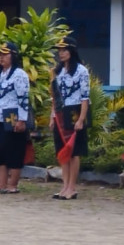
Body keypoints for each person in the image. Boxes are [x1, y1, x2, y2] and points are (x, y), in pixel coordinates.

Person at [49, 37, 90, 200]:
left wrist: (81, 119)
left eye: (64, 50)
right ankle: (64, 186)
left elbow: (85, 97)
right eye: (59, 51)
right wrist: (52, 116)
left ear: (72, 51)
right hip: (60, 114)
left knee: (74, 152)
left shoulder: (81, 71)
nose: (61, 53)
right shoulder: (57, 72)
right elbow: (54, 97)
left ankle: (72, 187)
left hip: (75, 113)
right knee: (62, 152)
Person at [0, 42, 30, 194]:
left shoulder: (19, 75)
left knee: (15, 149)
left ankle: (13, 185)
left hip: (12, 116)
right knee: (0, 150)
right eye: (0, 54)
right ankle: (1, 183)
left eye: (5, 54)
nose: (1, 57)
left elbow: (23, 98)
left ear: (13, 56)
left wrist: (22, 119)